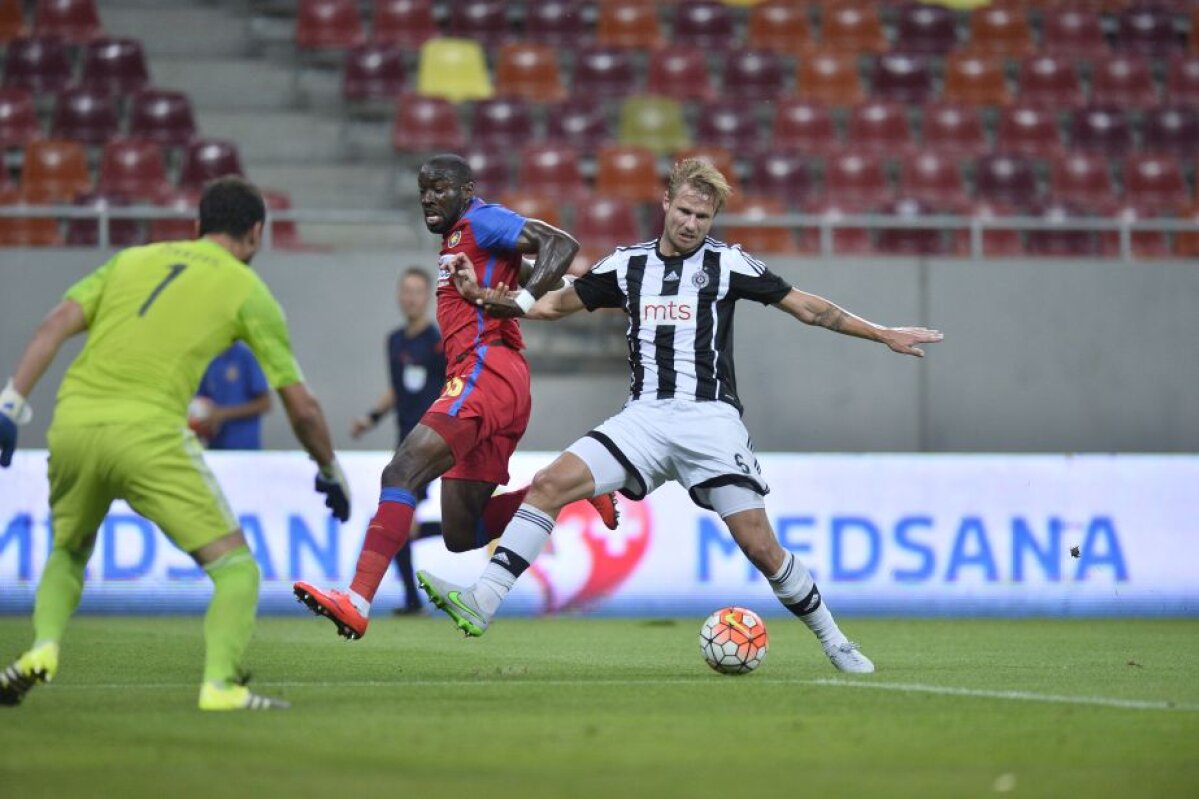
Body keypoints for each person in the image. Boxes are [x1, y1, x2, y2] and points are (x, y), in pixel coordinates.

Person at [418, 159, 944, 673]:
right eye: (686, 211)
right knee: (551, 483)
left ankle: (835, 641)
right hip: (643, 418)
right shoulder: (627, 264)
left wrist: (882, 334)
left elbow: (809, 308)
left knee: (760, 546)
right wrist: (487, 297)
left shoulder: (729, 264)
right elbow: (555, 305)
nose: (693, 224)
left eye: (704, 217)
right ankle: (483, 600)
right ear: (666, 203)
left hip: (709, 421)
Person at [0, 176, 351, 711]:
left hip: (72, 423)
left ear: (196, 226)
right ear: (256, 233)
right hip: (149, 435)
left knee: (69, 550)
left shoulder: (131, 261)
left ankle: (43, 648)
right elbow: (300, 405)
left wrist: (10, 405)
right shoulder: (247, 290)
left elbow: (52, 326)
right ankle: (219, 686)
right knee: (236, 568)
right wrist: (329, 467)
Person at [293, 153, 618, 641]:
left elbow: (560, 243)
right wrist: (521, 290)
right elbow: (540, 267)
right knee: (461, 532)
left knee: (400, 470)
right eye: (424, 187)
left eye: (440, 187)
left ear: (466, 191)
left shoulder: (482, 219)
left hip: (485, 370)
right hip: (499, 380)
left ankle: (357, 599)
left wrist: (519, 302)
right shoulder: (462, 240)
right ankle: (578, 489)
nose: (429, 196)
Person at [350, 267, 447, 615]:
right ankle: (479, 528)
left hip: (430, 445)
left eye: (417, 291)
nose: (410, 297)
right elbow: (397, 389)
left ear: (428, 297)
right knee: (403, 524)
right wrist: (370, 418)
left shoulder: (439, 344)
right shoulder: (394, 341)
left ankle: (411, 599)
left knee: (393, 520)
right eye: (405, 290)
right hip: (403, 445)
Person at [193, 341, 272, 450]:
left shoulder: (245, 356)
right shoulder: (208, 358)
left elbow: (265, 403)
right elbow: (200, 402)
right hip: (216, 448)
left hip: (245, 449)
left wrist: (222, 414)